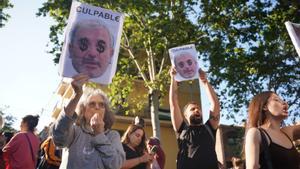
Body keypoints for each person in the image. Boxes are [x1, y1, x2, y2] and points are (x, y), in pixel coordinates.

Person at [51, 73, 125, 169]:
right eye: (92, 104)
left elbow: (116, 164)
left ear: (105, 112)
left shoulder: (113, 136)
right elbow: (58, 138)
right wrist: (77, 95)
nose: (97, 107)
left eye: (101, 105)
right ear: (83, 110)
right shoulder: (75, 131)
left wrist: (99, 134)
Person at [169, 67, 221, 169]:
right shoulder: (182, 129)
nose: (197, 110)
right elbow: (173, 103)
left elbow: (215, 103)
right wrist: (173, 79)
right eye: (192, 109)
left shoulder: (209, 128)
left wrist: (205, 81)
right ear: (185, 115)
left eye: (198, 108)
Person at [244, 91, 300, 169]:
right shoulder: (256, 133)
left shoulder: (287, 132)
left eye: (283, 100)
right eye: (276, 100)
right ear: (264, 107)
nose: (284, 103)